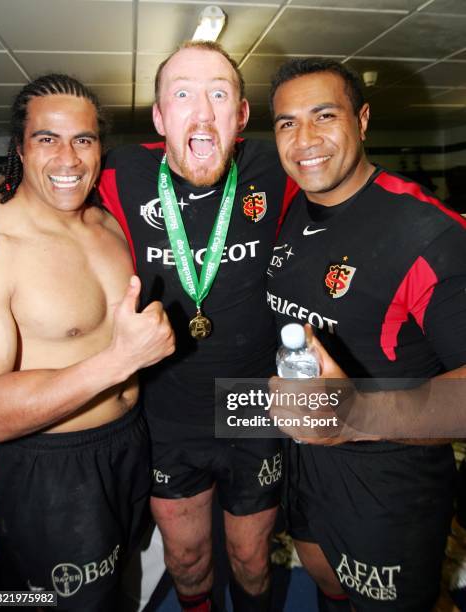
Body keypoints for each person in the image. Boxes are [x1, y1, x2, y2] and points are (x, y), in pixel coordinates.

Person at [98, 41, 298, 612]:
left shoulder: (275, 166)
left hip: (252, 403)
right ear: (160, 117)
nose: (202, 112)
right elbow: (43, 183)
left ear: (241, 115)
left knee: (253, 560)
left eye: (219, 93)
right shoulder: (120, 171)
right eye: (182, 94)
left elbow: (357, 187)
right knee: (187, 561)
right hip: (166, 411)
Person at [267, 57, 466, 612]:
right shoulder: (291, 211)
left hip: (388, 473)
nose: (304, 139)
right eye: (287, 123)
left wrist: (353, 416)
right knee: (325, 578)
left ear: (363, 120)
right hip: (305, 455)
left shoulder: (428, 235)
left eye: (323, 115)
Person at [0, 74, 174, 611]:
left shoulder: (109, 222)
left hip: (129, 445)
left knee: (118, 590)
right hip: (54, 467)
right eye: (47, 138)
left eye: (84, 140)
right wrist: (119, 362)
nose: (68, 158)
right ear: (19, 148)